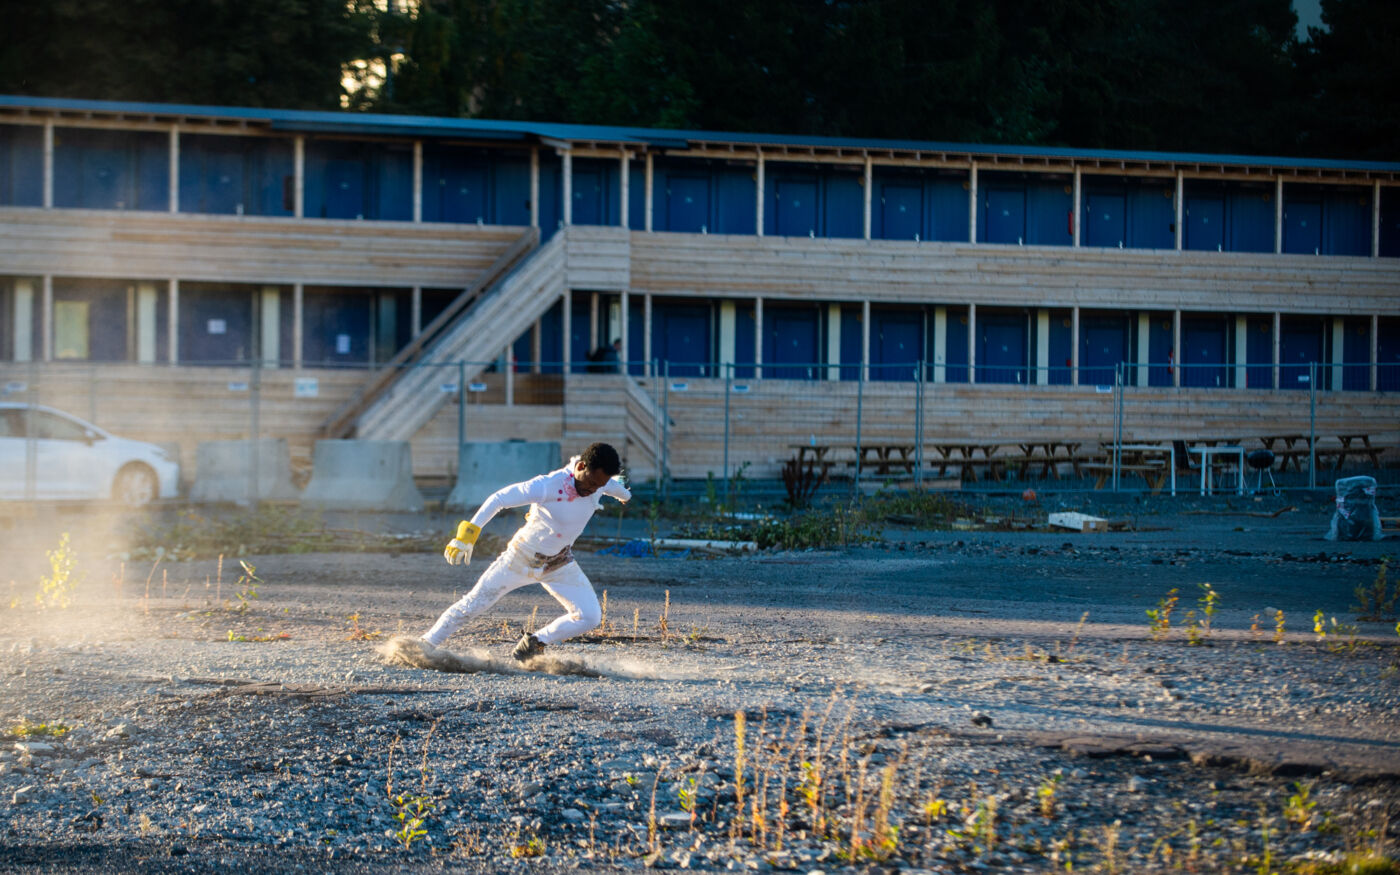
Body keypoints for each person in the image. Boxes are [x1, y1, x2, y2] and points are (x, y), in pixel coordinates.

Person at [422, 442, 631, 661]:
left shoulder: (600, 485)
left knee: (589, 617)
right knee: (475, 602)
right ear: (580, 466)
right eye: (591, 482)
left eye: (599, 486)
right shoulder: (548, 485)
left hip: (559, 563)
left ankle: (534, 643)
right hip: (521, 559)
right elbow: (499, 499)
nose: (592, 489)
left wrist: (624, 494)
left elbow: (620, 491)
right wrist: (466, 535)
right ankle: (425, 644)